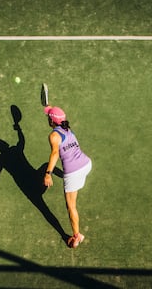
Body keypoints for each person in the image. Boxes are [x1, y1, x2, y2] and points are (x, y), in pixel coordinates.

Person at [43, 106, 92, 248]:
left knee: (71, 206)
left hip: (74, 172)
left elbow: (55, 154)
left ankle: (76, 236)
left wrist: (48, 174)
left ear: (51, 120)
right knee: (74, 189)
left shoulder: (53, 136)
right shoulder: (67, 129)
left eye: (48, 117)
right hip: (86, 164)